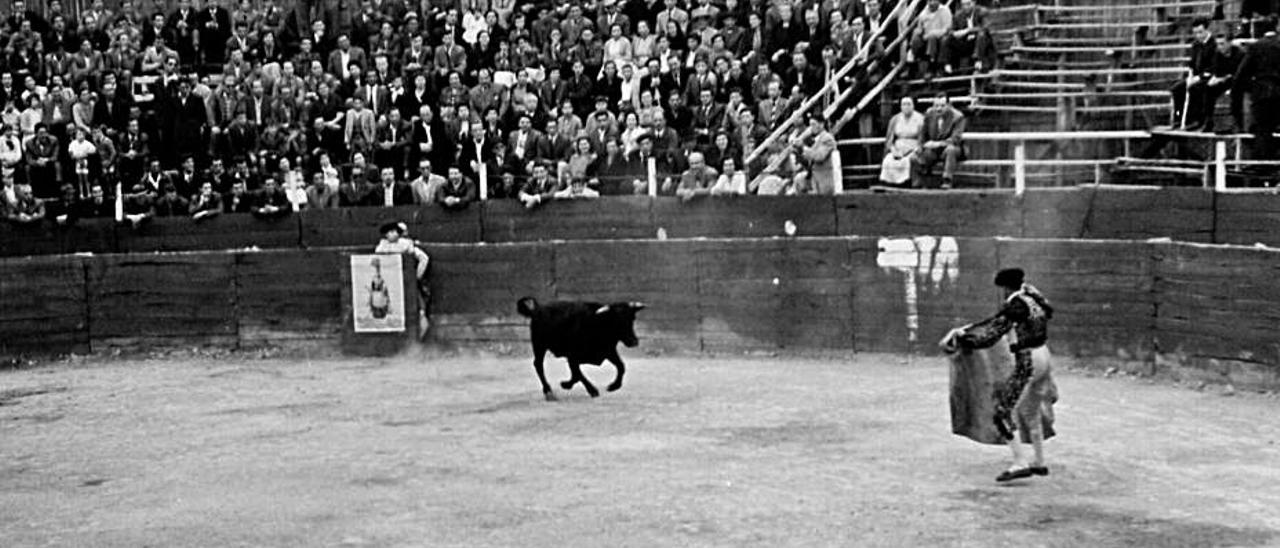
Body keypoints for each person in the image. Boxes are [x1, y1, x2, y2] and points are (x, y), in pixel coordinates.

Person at [948, 268, 1057, 483]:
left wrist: (963, 339)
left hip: (1028, 360)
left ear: (1005, 288)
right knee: (1030, 410)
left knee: (1001, 413)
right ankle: (1039, 462)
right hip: (1045, 355)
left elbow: (990, 337)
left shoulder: (1014, 307)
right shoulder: (1034, 299)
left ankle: (1020, 462)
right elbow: (1049, 310)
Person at [1170, 19, 1217, 130]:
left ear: (1207, 30)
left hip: (1209, 76)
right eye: (1195, 33)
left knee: (1196, 88)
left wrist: (1198, 77)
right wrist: (1190, 76)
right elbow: (1192, 63)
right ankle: (1179, 118)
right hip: (1195, 76)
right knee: (1177, 89)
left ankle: (1196, 120)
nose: (1198, 35)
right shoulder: (1195, 45)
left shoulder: (1214, 45)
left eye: (1200, 32)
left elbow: (1213, 66)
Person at [915, 91, 965, 189]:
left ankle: (947, 180)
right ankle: (923, 181)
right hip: (934, 149)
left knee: (950, 150)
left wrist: (938, 144)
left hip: (953, 148)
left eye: (942, 106)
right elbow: (922, 133)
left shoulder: (958, 117)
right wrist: (920, 146)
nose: (938, 109)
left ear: (948, 105)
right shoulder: (929, 114)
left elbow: (956, 138)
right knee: (923, 154)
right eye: (936, 106)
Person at [880, 96, 924, 186]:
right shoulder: (895, 119)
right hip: (897, 149)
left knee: (908, 160)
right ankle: (890, 183)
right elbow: (889, 139)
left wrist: (914, 151)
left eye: (909, 104)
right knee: (888, 160)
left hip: (913, 149)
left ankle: (907, 182)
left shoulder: (920, 119)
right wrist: (893, 150)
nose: (906, 107)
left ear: (913, 105)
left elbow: (922, 140)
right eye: (904, 104)